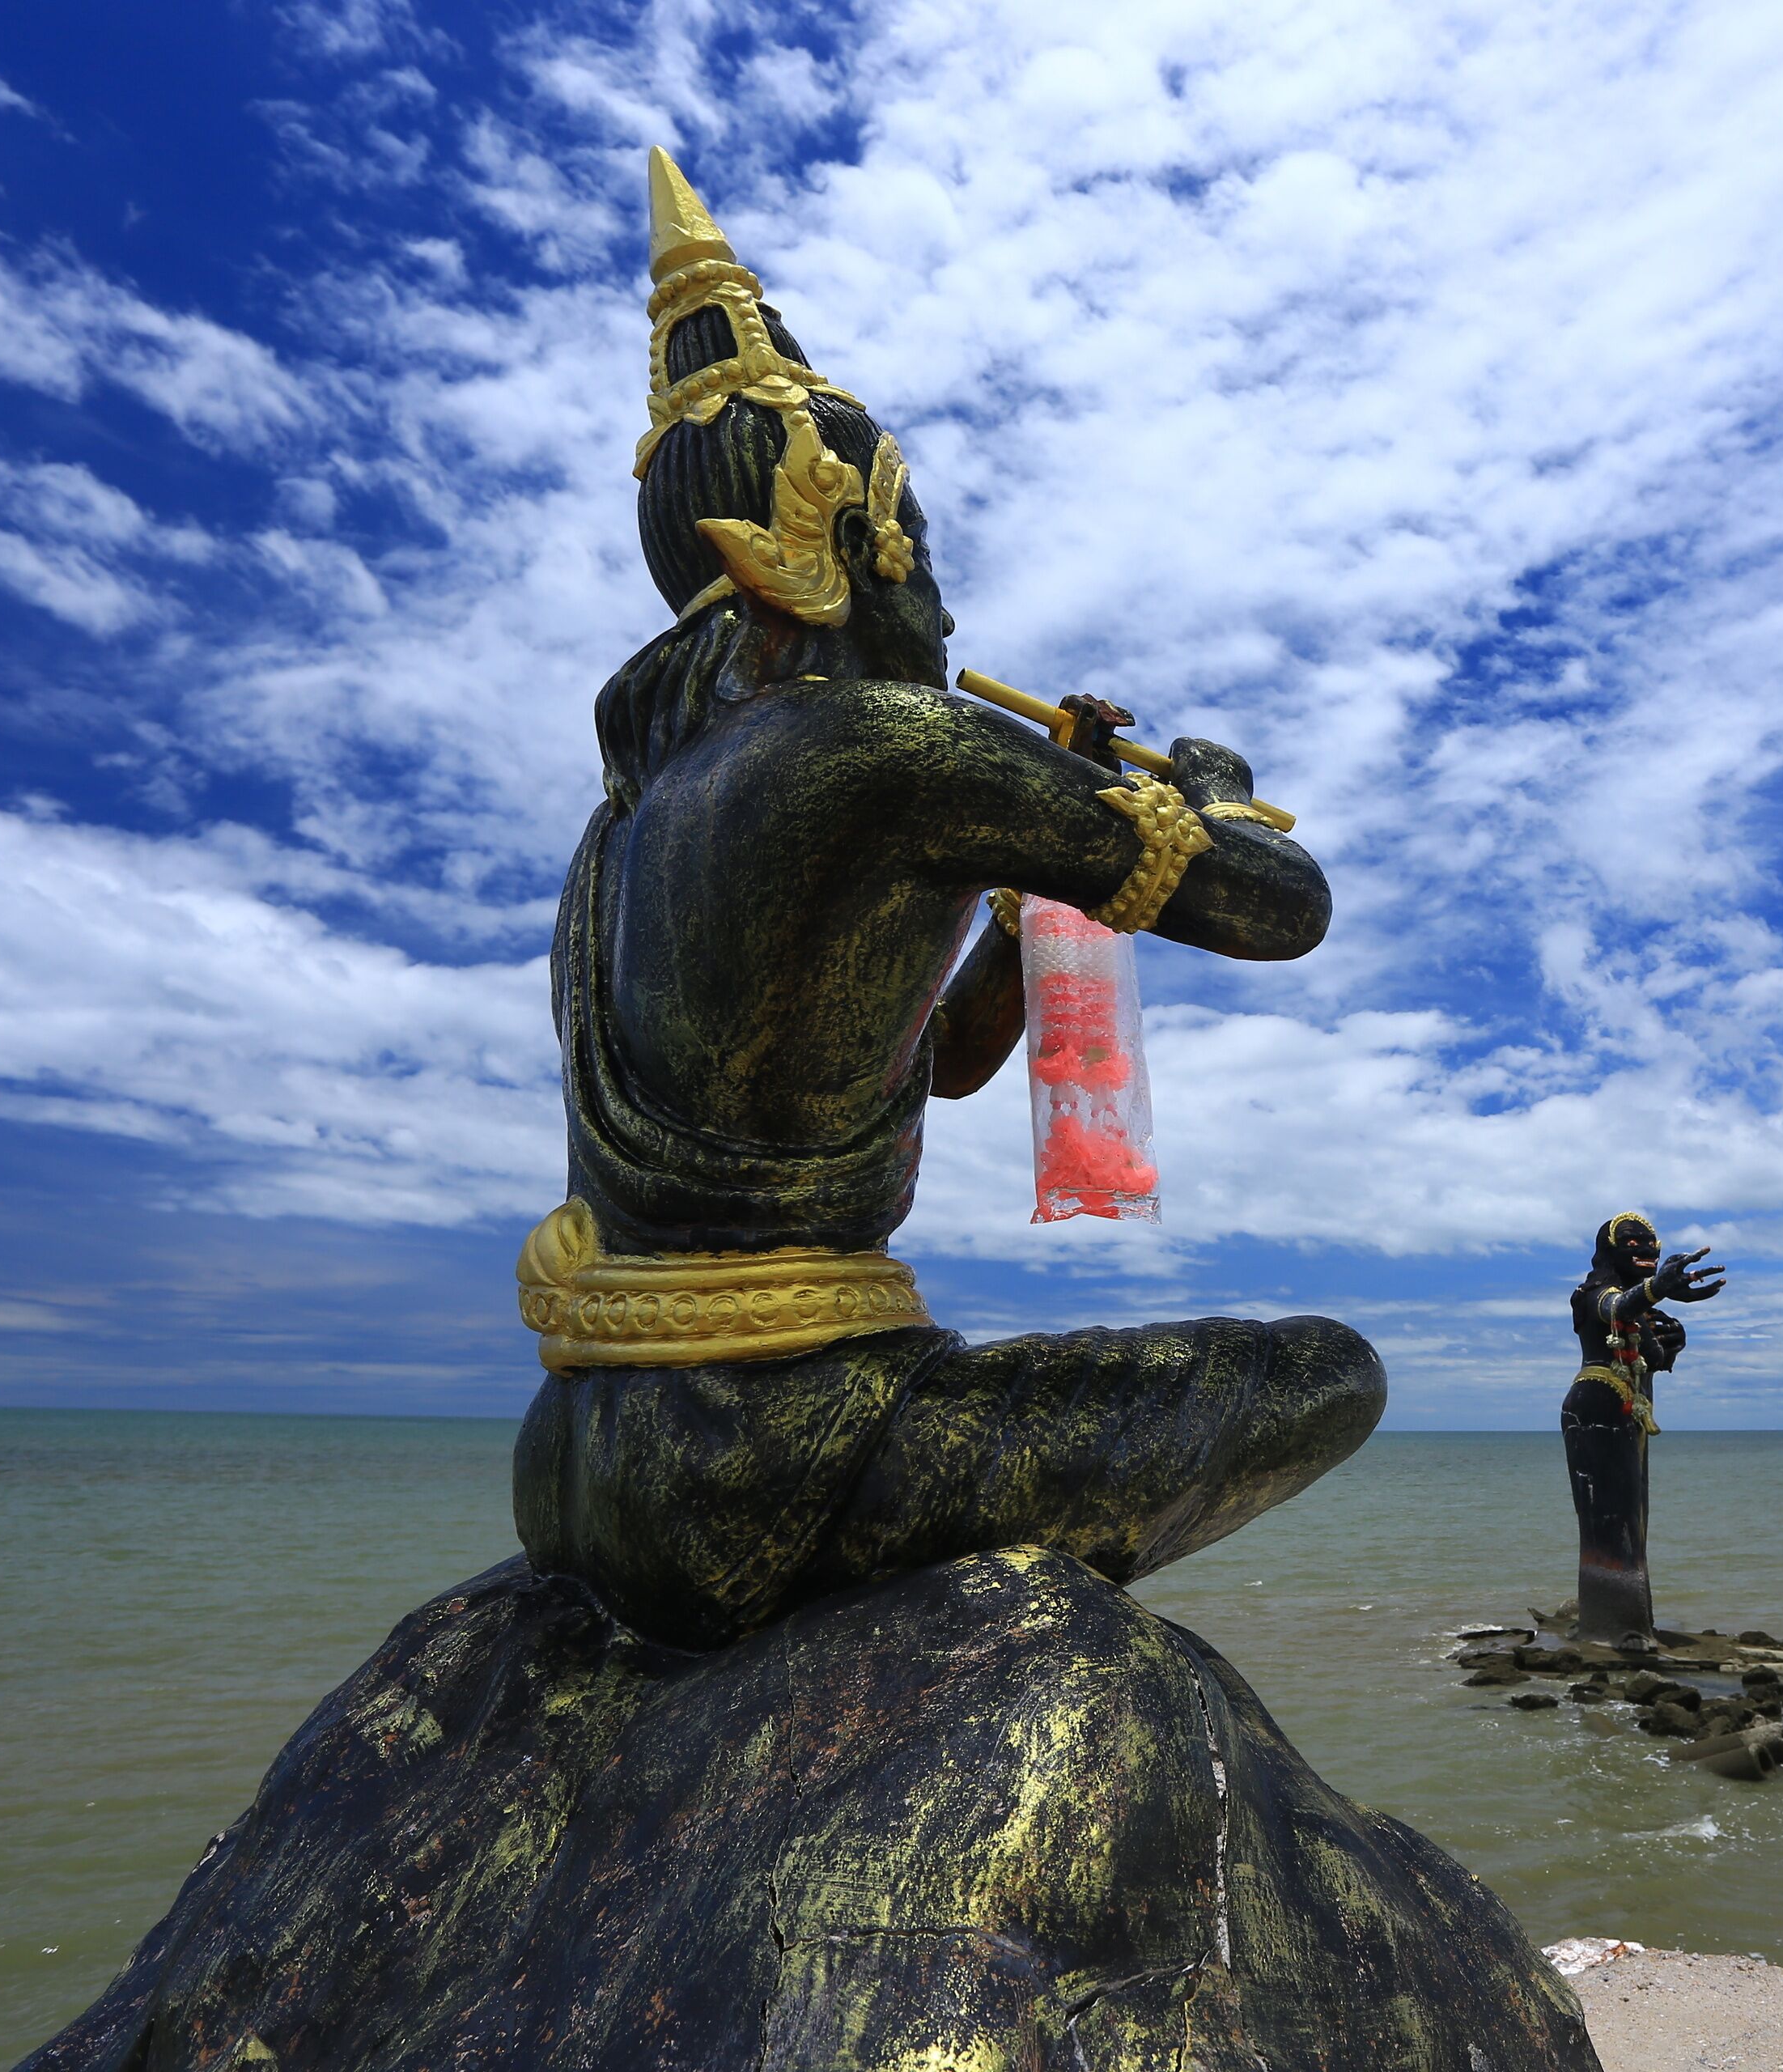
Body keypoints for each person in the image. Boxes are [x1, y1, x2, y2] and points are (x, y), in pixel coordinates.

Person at [512, 149, 1383, 1651]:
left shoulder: (621, 836)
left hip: (584, 1467)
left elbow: (948, 1062)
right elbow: (1281, 906)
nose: (949, 614)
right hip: (777, 1459)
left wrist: (1030, 859)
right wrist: (1208, 791)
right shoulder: (885, 742)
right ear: (837, 548)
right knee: (1326, 1371)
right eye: (922, 555)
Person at [1562, 1210, 1723, 1647]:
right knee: (1609, 1517)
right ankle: (1613, 1626)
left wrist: (1674, 1343)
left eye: (1651, 1245)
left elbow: (1653, 1359)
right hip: (1595, 1406)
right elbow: (1615, 1306)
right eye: (1633, 1245)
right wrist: (1657, 1289)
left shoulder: (1640, 1310)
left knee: (1634, 1516)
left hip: (1629, 1410)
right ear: (1611, 1252)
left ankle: (1633, 1622)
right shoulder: (1592, 1293)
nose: (1647, 1252)